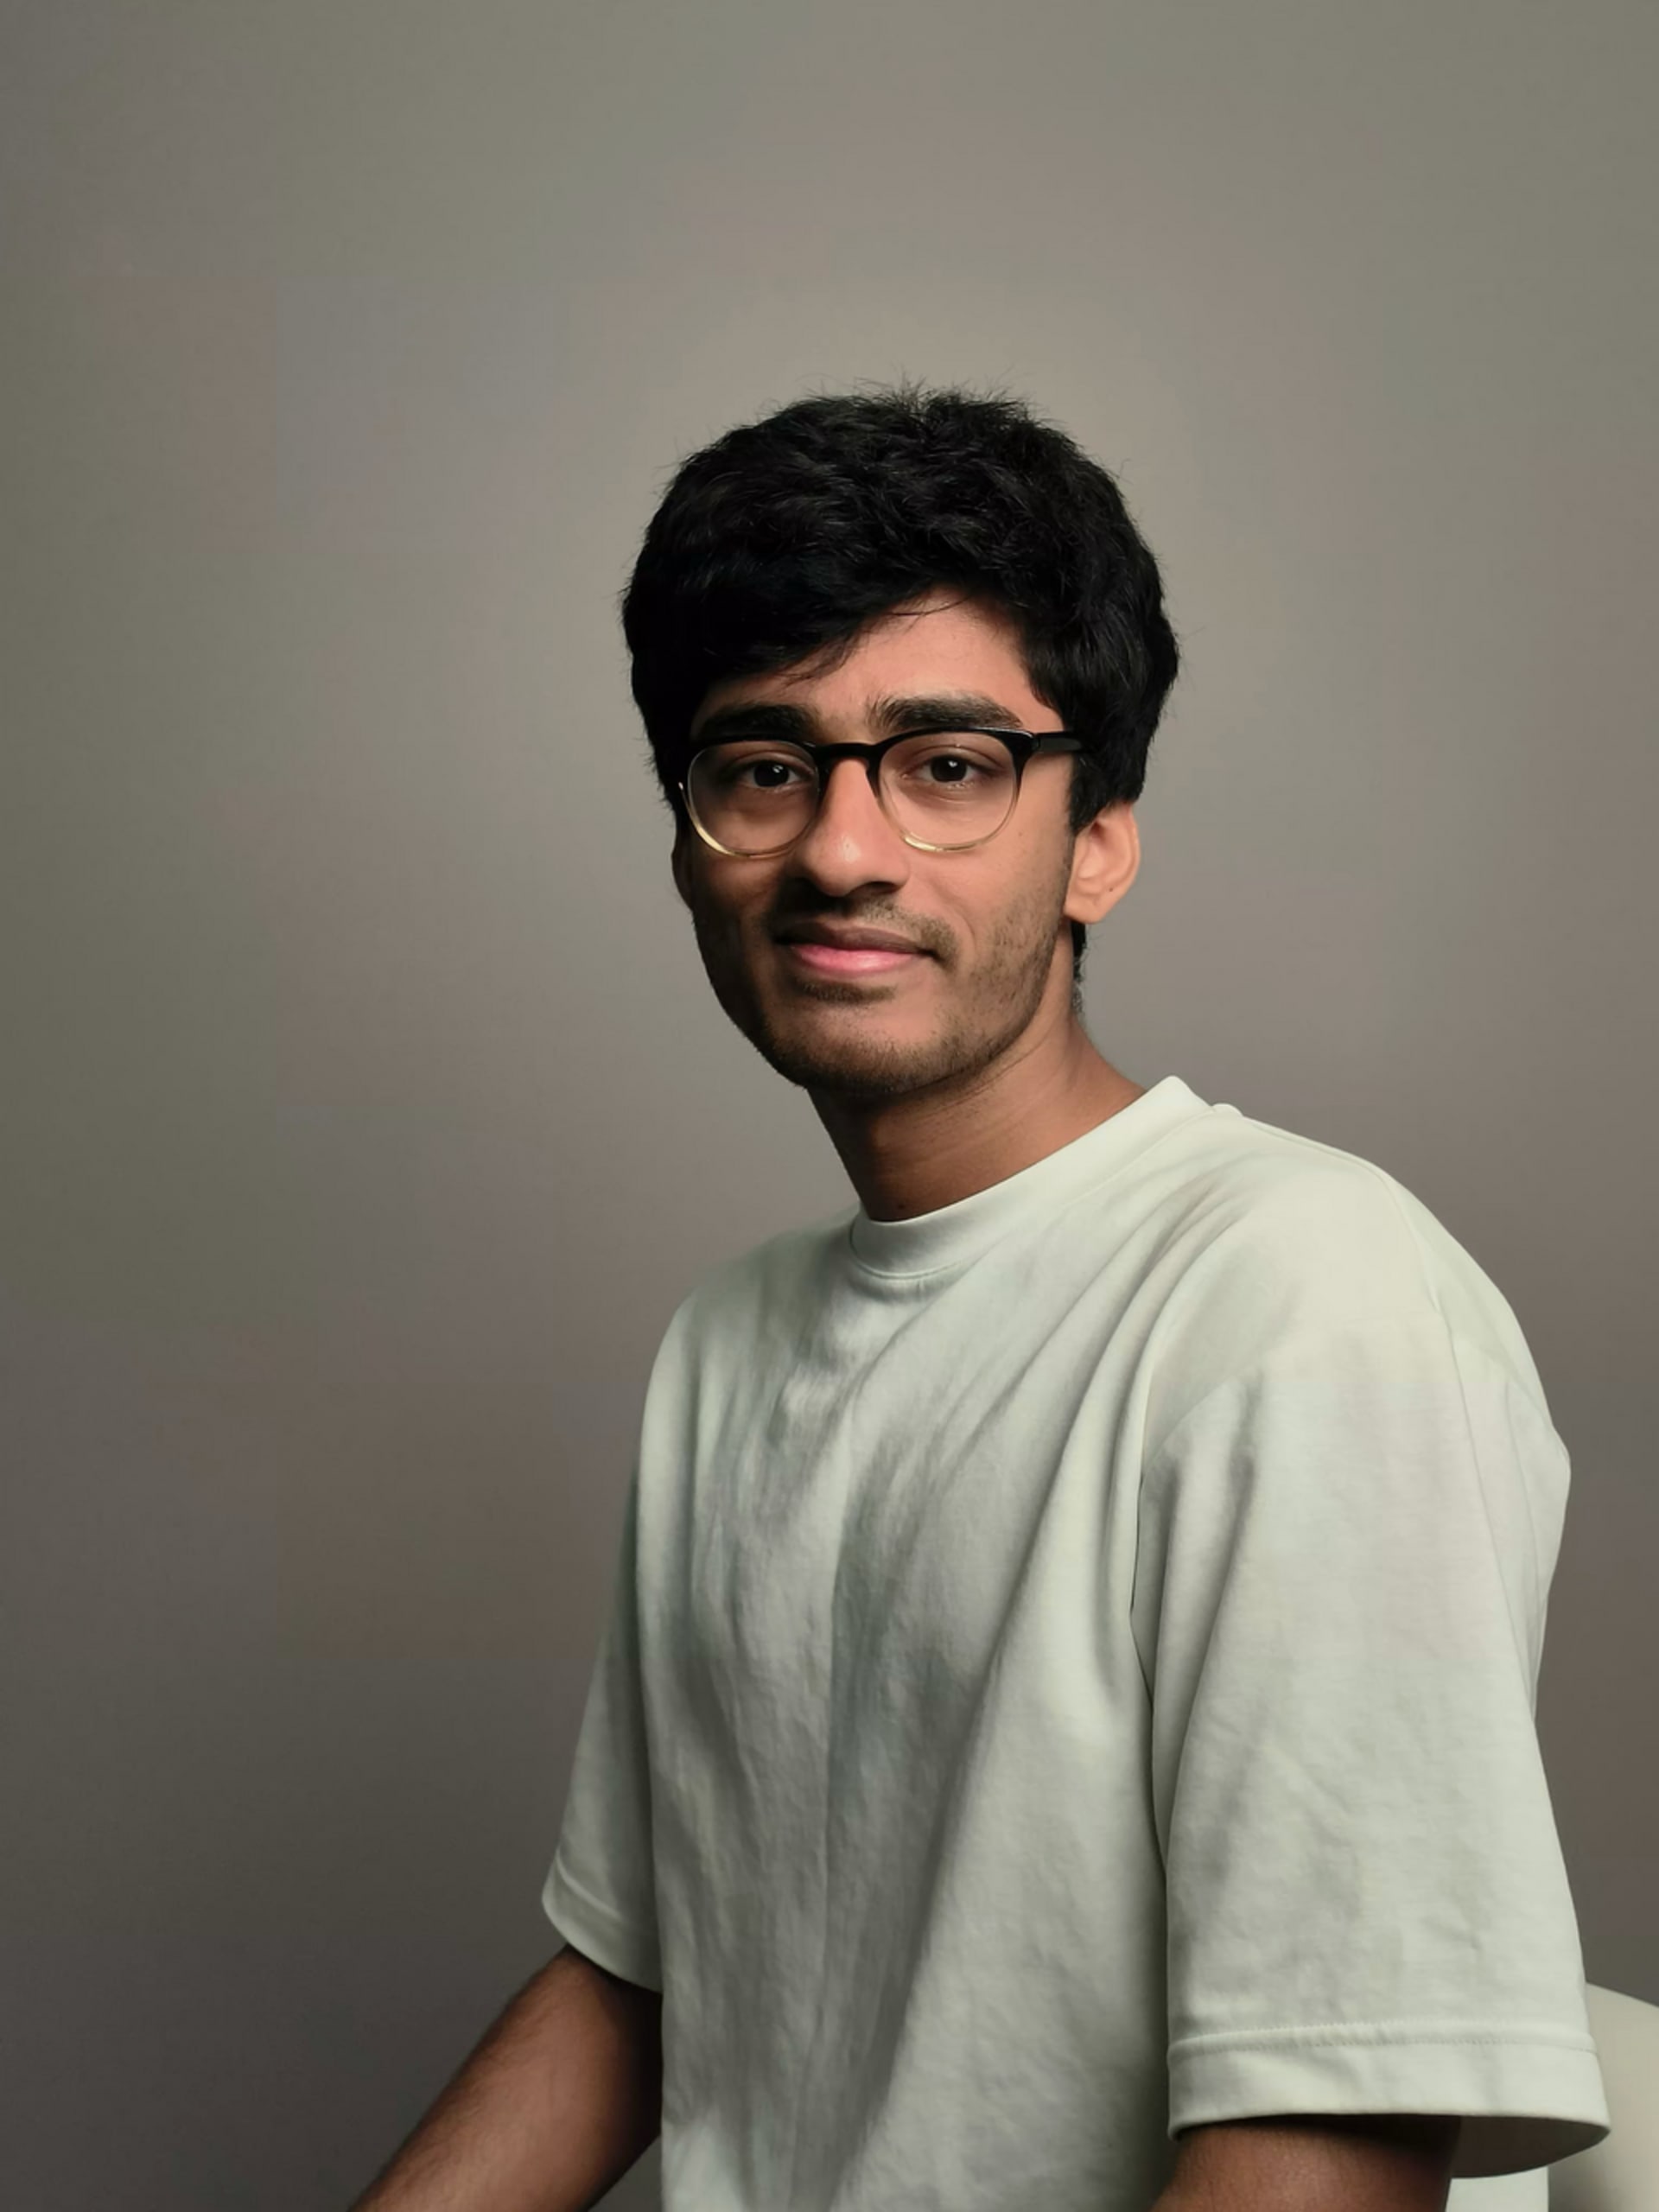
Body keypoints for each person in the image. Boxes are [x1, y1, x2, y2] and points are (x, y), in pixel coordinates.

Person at [352, 385, 1610, 2212]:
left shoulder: (1298, 1304)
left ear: (1097, 832)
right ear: (692, 834)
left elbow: (1323, 2153)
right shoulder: (729, 1340)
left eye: (947, 763)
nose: (844, 849)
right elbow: (639, 1978)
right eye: (765, 764)